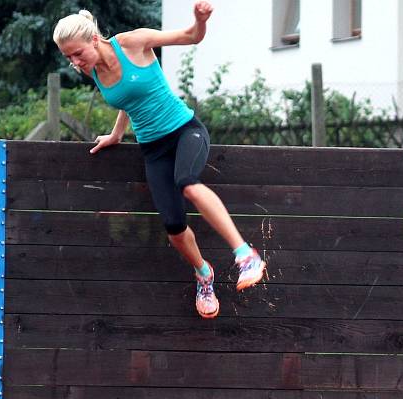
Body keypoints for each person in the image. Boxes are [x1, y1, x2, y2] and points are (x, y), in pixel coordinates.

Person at [52, 2, 265, 319]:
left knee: (189, 185)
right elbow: (128, 99)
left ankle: (245, 255)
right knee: (174, 228)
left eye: (77, 53)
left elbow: (191, 37)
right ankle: (203, 274)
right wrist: (116, 135)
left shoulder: (134, 42)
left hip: (184, 131)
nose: (75, 62)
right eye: (69, 57)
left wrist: (199, 20)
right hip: (152, 148)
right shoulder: (94, 70)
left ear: (94, 39)